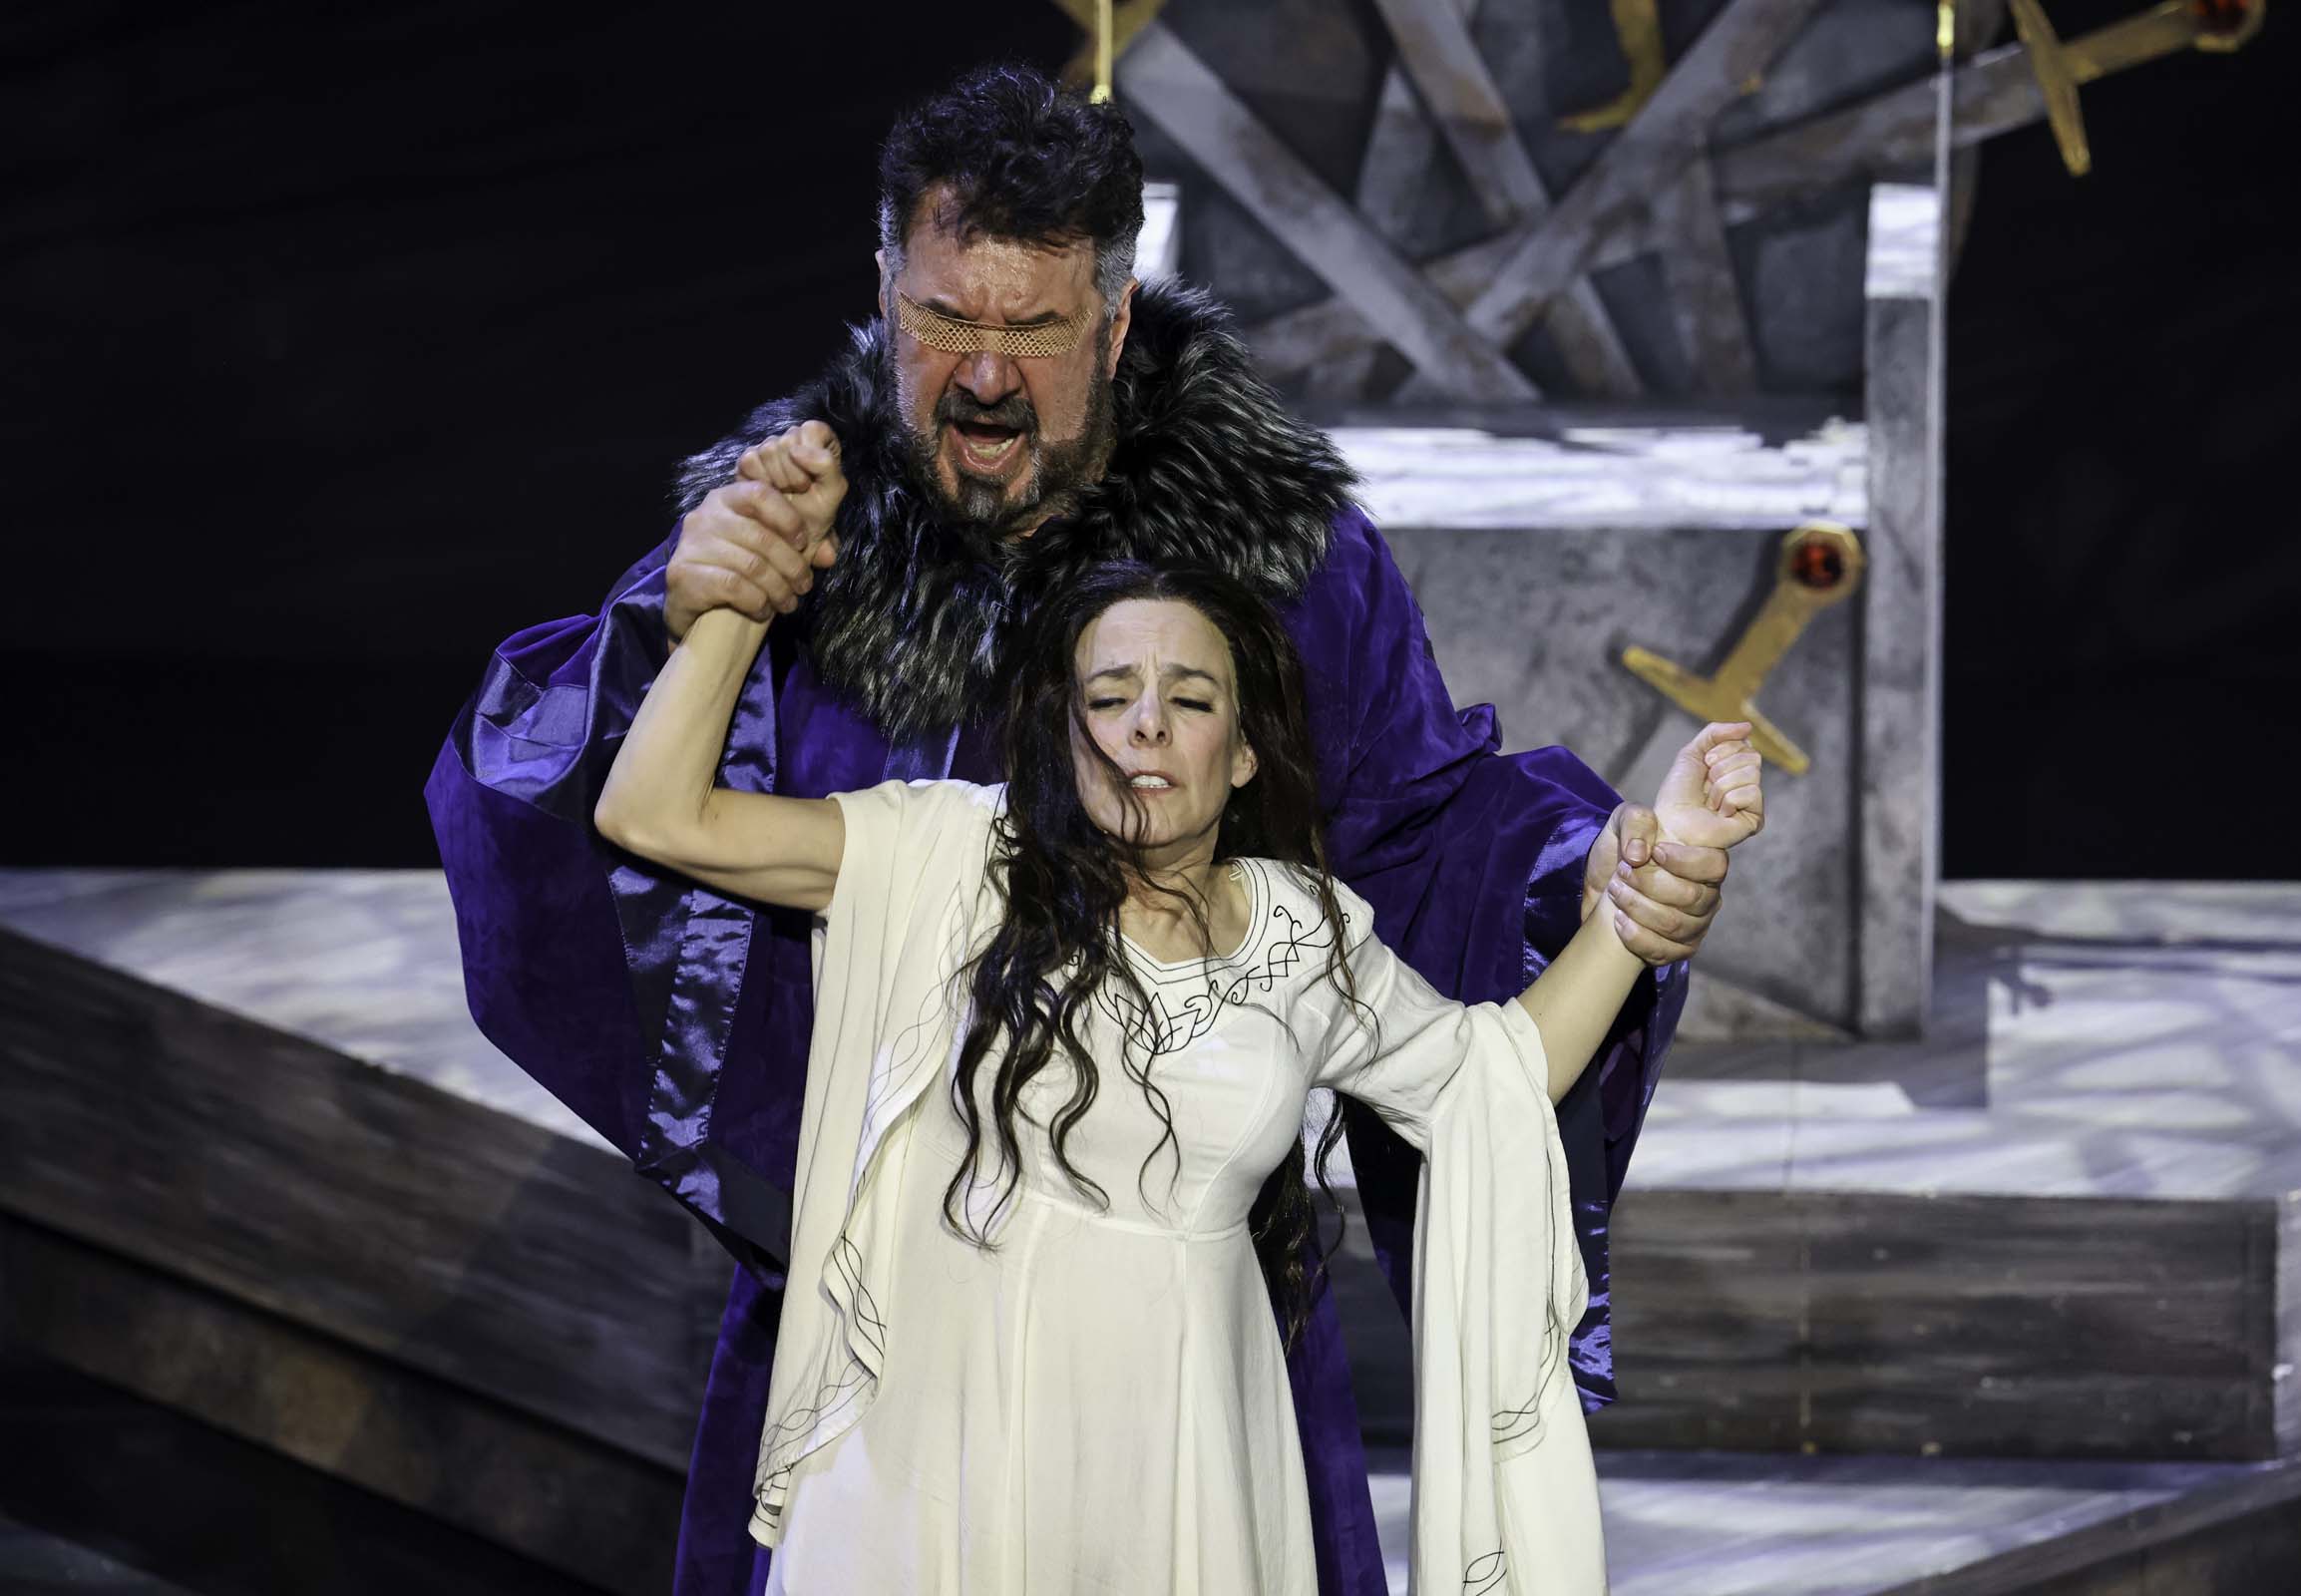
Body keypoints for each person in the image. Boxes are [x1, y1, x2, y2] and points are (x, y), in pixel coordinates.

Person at [426, 64, 1736, 1596]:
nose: (984, 375)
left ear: (1113, 322)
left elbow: (1431, 842)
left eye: (1035, 331)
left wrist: (1599, 882)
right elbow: (594, 811)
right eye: (943, 319)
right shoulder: (801, 522)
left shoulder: (1282, 558)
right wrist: (687, 611)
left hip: (1193, 1355)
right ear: (883, 290)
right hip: (877, 1332)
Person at [590, 525, 1764, 1593]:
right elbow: (655, 814)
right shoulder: (946, 854)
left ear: (1242, 752)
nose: (1146, 724)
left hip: (1186, 1467)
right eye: (1110, 695)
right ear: (1068, 732)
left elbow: (1496, 1073)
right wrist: (738, 606)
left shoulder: (1299, 932)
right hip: (937, 1468)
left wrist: (1648, 888)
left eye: (1189, 697)